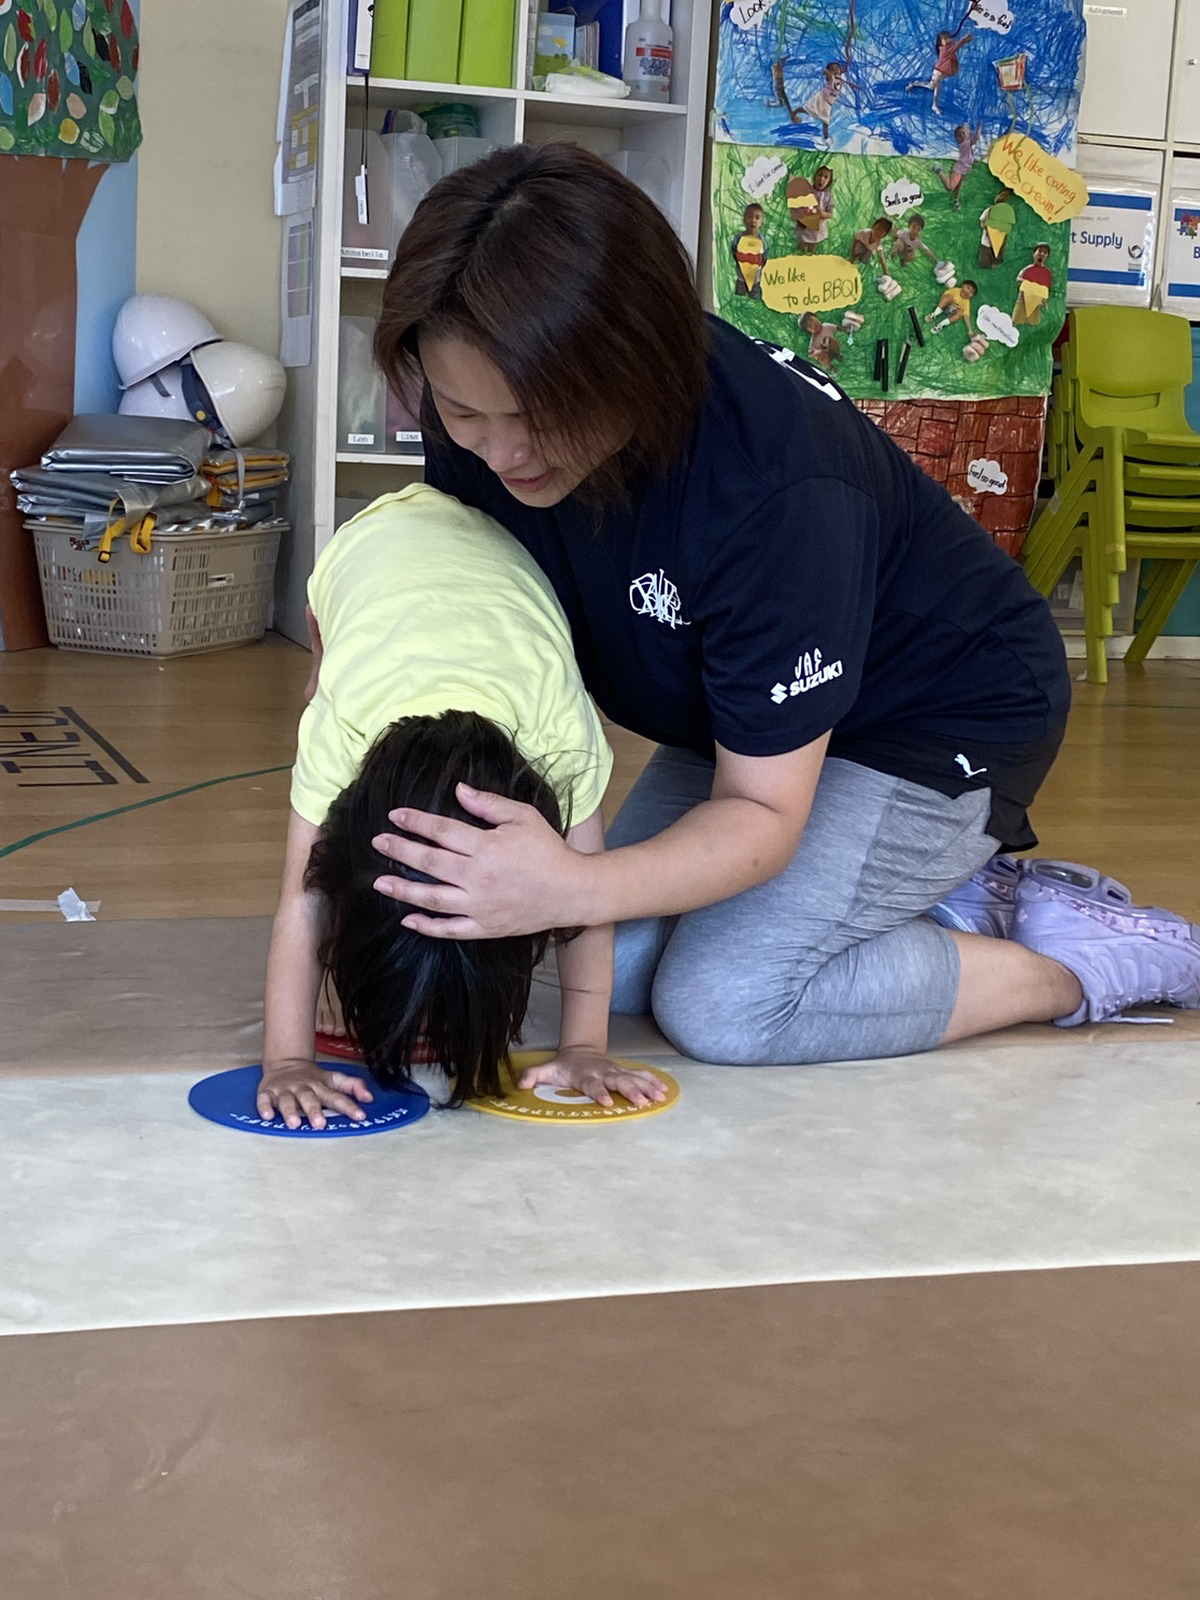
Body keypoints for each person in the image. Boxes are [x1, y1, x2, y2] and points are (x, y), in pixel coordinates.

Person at [363, 142, 1200, 1070]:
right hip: (742, 719)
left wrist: (568, 885)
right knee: (611, 968)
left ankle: (1073, 962)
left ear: (633, 361)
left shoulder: (774, 488)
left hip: (938, 716)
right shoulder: (479, 398)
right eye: (464, 413)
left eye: (534, 417)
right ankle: (912, 902)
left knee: (726, 1003)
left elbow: (759, 813)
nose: (500, 453)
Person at [258, 483, 666, 1129]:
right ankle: (323, 662)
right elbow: (303, 902)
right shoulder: (341, 732)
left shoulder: (559, 735)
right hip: (363, 551)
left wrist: (584, 1048)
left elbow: (584, 901)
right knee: (329, 677)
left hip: (502, 561)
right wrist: (286, 1060)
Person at [906, 30, 973, 114]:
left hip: (943, 73)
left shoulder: (949, 47)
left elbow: (955, 46)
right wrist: (965, 39)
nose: (947, 40)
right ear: (940, 42)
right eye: (945, 39)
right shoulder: (944, 49)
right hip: (938, 72)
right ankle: (917, 87)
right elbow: (956, 46)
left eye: (948, 38)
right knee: (933, 87)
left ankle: (932, 102)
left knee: (934, 87)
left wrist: (966, 40)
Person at [932, 123, 982, 209]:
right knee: (950, 187)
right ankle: (939, 170)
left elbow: (968, 156)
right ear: (957, 138)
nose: (962, 135)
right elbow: (976, 137)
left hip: (965, 169)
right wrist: (979, 127)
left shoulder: (967, 144)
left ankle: (956, 201)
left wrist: (973, 162)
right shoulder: (965, 144)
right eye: (960, 134)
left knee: (958, 187)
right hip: (959, 169)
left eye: (963, 133)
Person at [795, 165, 835, 252]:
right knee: (802, 243)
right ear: (814, 176)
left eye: (826, 177)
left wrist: (823, 214)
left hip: (817, 228)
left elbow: (830, 213)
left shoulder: (828, 196)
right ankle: (799, 254)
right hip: (805, 225)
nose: (821, 179)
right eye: (819, 175)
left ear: (829, 181)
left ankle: (810, 255)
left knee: (812, 244)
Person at [1013, 243, 1054, 327]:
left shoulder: (1047, 273)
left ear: (1047, 256)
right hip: (1022, 300)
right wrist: (1029, 285)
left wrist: (1043, 299)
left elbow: (1046, 287)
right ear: (1034, 254)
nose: (1042, 254)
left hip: (1037, 302)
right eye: (1040, 251)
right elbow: (1019, 279)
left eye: (1045, 252)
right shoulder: (1027, 269)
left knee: (1034, 323)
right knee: (1017, 320)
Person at [732, 203, 768, 298]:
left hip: (756, 279)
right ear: (744, 219)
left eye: (757, 218)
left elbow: (765, 256)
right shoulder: (739, 238)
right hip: (741, 278)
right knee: (740, 297)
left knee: (755, 297)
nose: (753, 221)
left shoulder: (762, 240)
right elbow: (734, 251)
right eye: (749, 217)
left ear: (761, 222)